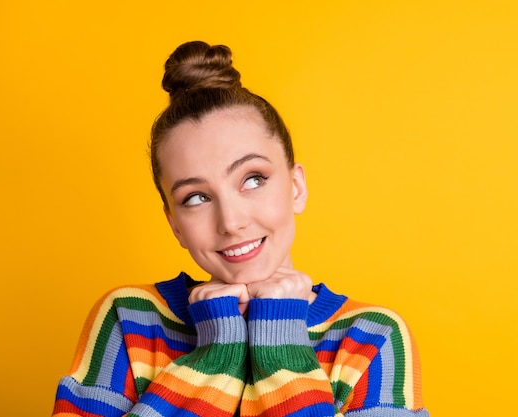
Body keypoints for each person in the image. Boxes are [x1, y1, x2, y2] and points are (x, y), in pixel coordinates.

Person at [52, 40, 429, 417]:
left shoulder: (371, 338)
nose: (231, 222)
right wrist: (217, 353)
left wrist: (280, 344)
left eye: (252, 179)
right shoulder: (131, 319)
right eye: (196, 198)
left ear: (296, 187)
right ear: (175, 225)